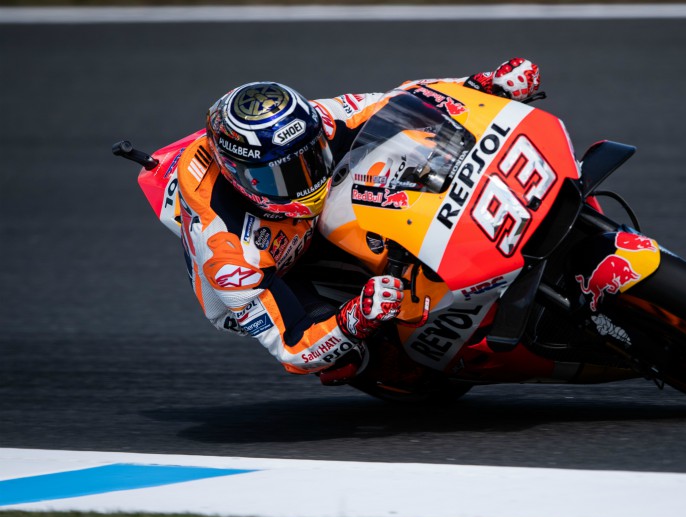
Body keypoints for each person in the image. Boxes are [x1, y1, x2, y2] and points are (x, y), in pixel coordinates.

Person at [174, 59, 541, 385]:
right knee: (355, 355)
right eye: (282, 177)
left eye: (312, 158)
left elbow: (400, 101)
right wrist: (354, 319)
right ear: (239, 176)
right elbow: (290, 347)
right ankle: (380, 367)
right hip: (278, 268)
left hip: (304, 223)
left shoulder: (312, 121)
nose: (307, 181)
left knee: (406, 148)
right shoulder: (228, 253)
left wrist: (481, 85)